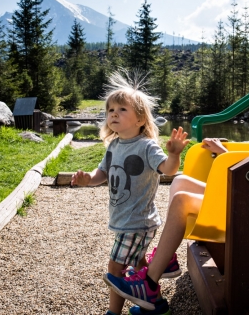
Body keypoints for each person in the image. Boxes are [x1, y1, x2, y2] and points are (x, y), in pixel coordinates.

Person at [103, 94, 249, 314]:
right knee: (181, 181)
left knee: (182, 200)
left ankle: (150, 283)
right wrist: (225, 152)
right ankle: (166, 259)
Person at [70, 70, 190, 315]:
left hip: (137, 222)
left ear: (141, 119)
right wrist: (87, 179)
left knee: (115, 269)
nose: (114, 113)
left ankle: (113, 313)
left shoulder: (146, 146)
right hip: (124, 220)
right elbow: (101, 173)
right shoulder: (114, 145)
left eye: (122, 109)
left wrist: (175, 154)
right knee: (138, 266)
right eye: (110, 110)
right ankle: (155, 305)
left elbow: (167, 169)